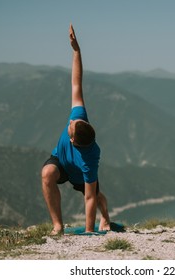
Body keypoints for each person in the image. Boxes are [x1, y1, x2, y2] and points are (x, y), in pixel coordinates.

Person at [41, 23, 110, 235]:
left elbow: (88, 198)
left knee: (96, 196)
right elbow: (76, 84)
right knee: (47, 174)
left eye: (70, 127)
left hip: (79, 172)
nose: (70, 122)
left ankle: (105, 217)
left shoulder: (90, 159)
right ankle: (57, 226)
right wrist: (76, 50)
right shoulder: (79, 118)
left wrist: (89, 231)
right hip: (61, 162)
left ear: (73, 141)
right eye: (73, 123)